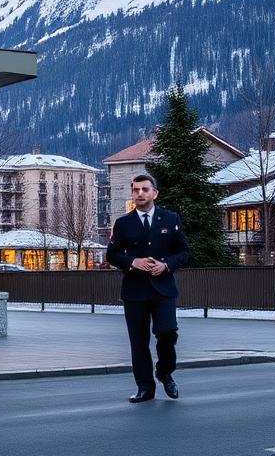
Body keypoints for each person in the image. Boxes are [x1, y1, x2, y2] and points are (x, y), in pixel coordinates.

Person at [105, 173, 191, 403]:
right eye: (136, 190)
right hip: (135, 291)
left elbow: (184, 252)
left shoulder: (171, 218)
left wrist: (166, 265)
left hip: (163, 289)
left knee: (167, 332)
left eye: (144, 189)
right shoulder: (123, 223)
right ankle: (145, 387)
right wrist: (133, 262)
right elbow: (112, 254)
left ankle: (165, 372)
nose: (140, 194)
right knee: (138, 341)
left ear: (155, 193)